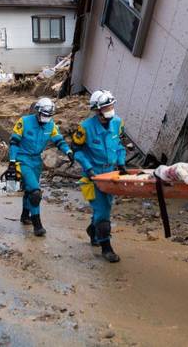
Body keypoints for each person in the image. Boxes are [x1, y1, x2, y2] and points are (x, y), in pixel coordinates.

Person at [72, 90, 126, 263]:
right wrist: (88, 168)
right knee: (103, 212)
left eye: (111, 105)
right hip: (93, 176)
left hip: (111, 174)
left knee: (107, 206)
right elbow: (77, 151)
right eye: (107, 107)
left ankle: (92, 230)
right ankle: (106, 248)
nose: (111, 109)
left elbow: (119, 145)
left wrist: (122, 163)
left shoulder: (118, 123)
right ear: (97, 110)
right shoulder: (85, 128)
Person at [8, 97, 74, 236]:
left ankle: (25, 215)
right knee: (35, 192)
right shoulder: (24, 122)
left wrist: (68, 151)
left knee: (29, 190)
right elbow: (14, 142)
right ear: (38, 112)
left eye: (49, 116)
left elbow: (59, 140)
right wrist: (12, 162)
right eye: (44, 115)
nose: (46, 118)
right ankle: (37, 224)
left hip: (36, 161)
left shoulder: (50, 125)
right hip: (22, 159)